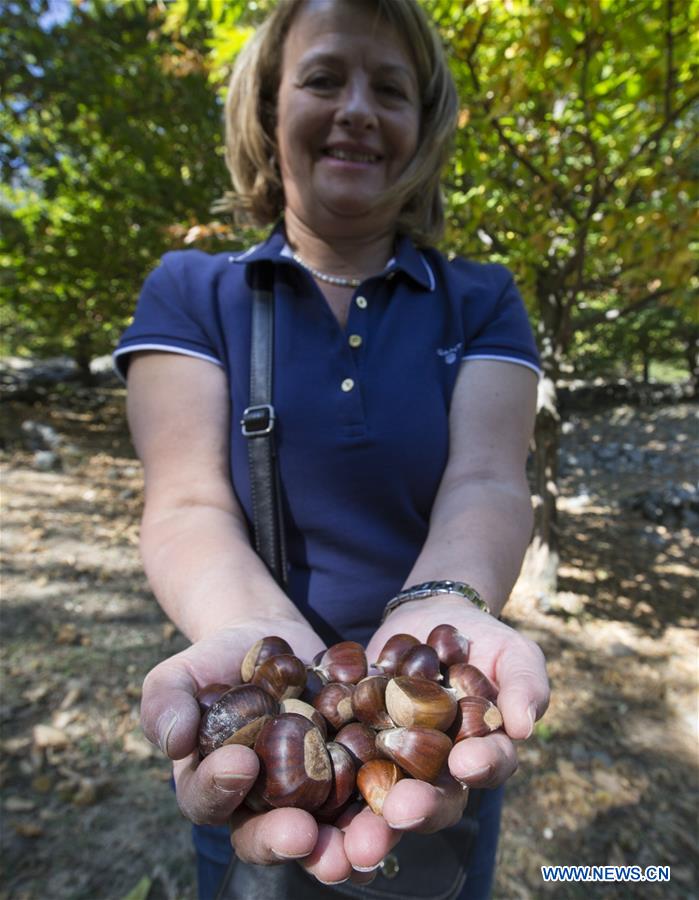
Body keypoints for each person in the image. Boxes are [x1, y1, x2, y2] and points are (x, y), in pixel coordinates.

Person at [114, 0, 550, 897]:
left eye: (389, 89)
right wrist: (249, 632)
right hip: (259, 732)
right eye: (323, 78)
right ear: (268, 108)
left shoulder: (481, 300)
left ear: (423, 125)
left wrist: (443, 601)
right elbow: (186, 499)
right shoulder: (191, 290)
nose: (356, 109)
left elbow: (486, 478)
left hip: (437, 745)